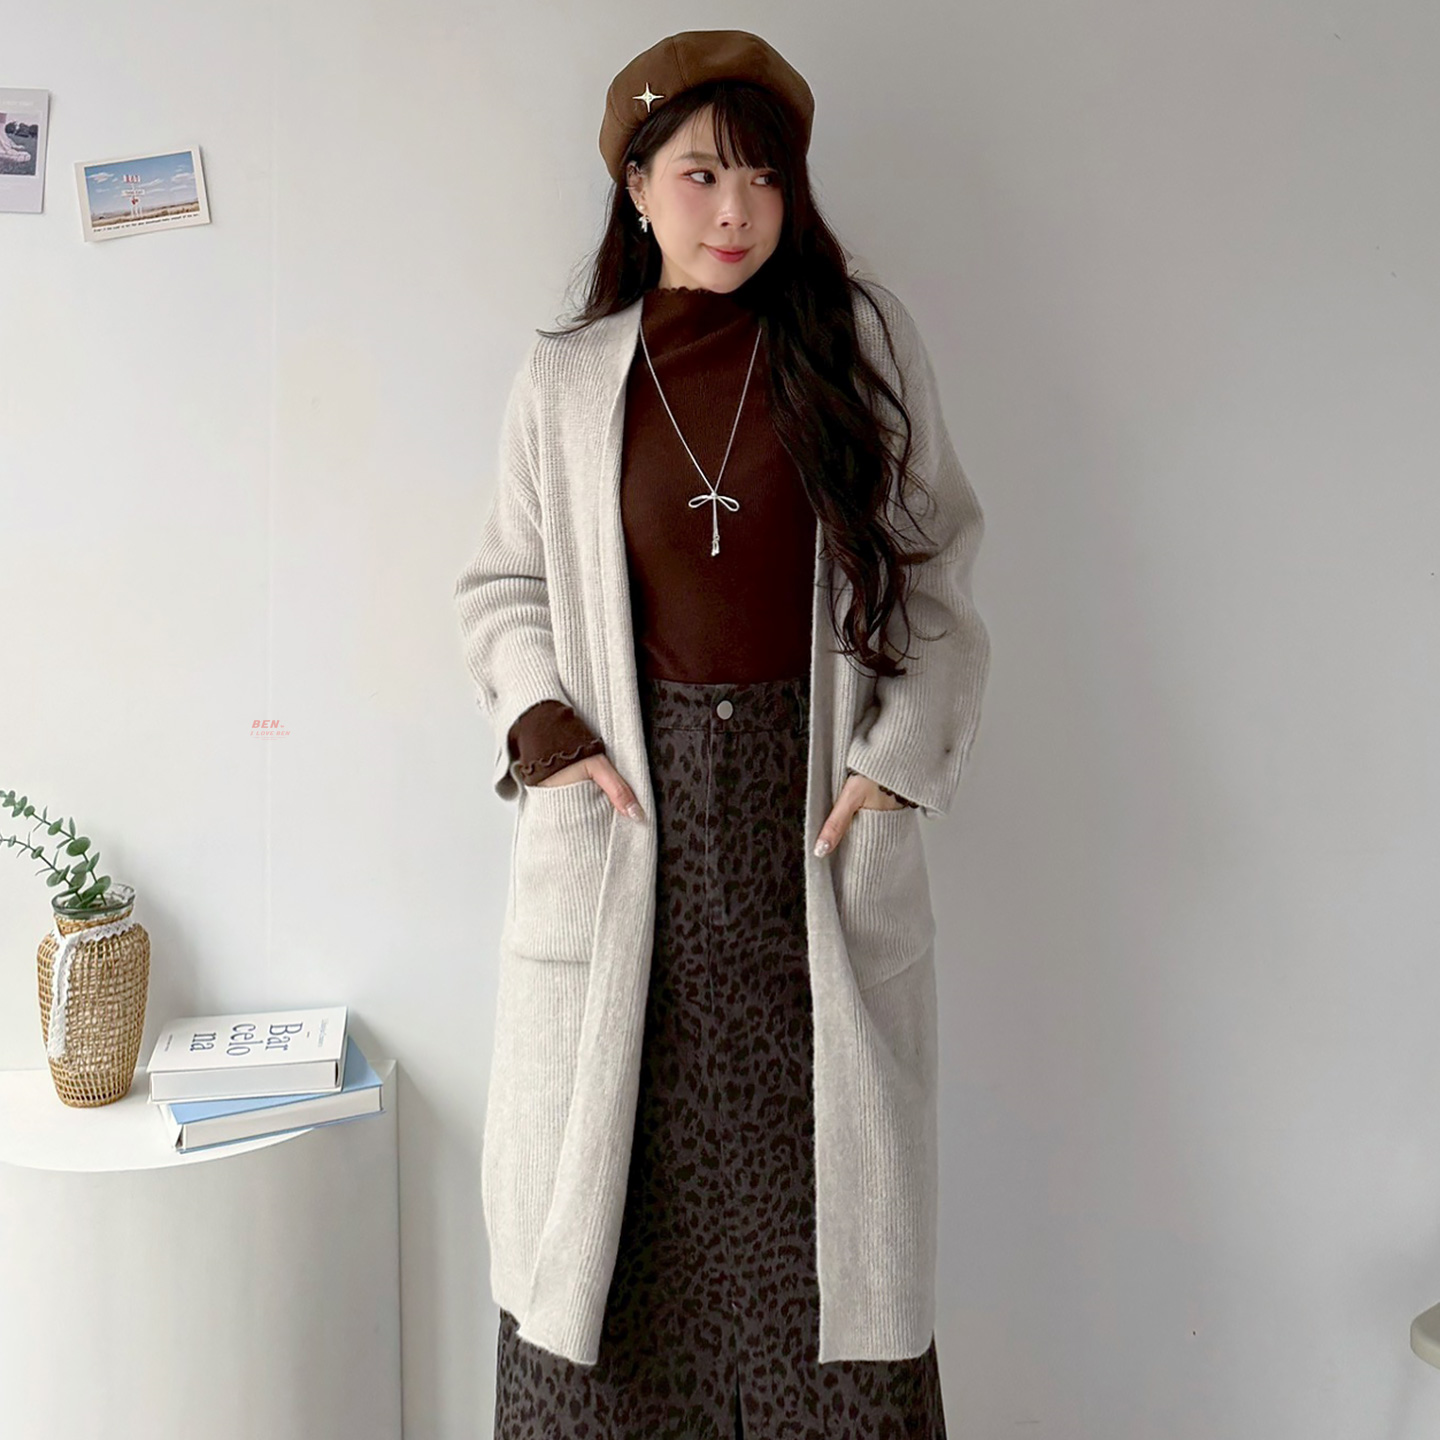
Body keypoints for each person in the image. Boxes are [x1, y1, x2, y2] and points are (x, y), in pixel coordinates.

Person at [454, 28, 991, 1439]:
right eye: (700, 175)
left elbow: (939, 576)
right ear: (637, 189)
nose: (736, 209)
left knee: (832, 1240)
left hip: (811, 833)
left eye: (763, 175)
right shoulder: (570, 380)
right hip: (630, 838)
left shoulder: (860, 345)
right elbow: (499, 586)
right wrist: (548, 729)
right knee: (607, 1222)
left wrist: (892, 768)